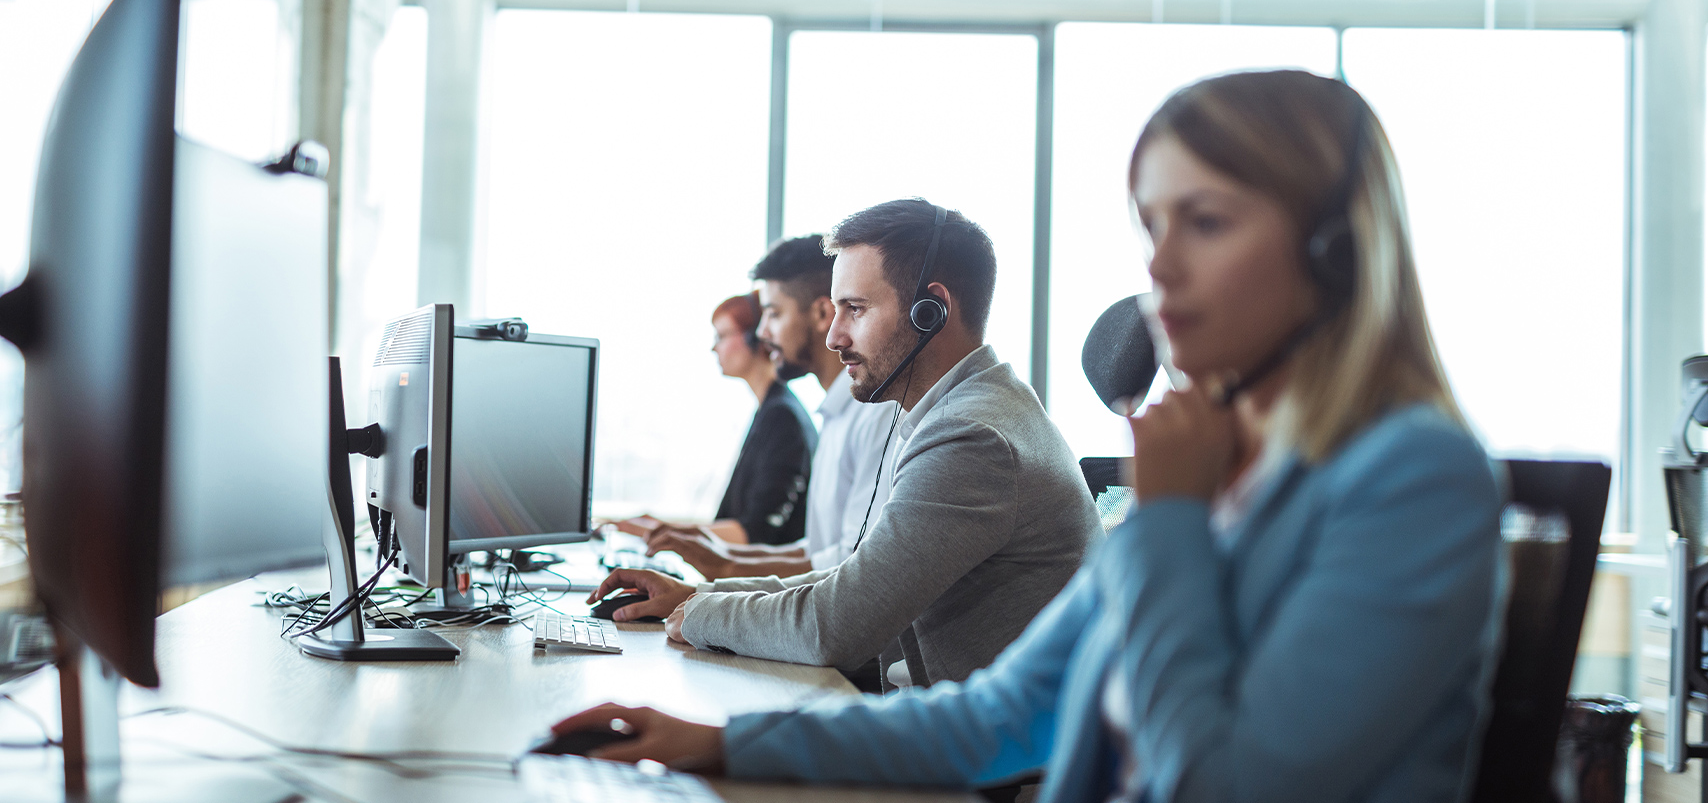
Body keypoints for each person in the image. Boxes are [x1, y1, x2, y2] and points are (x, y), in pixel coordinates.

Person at [552, 70, 1505, 803]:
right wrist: (714, 743)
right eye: (1151, 227)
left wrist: (1169, 523)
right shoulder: (1222, 477)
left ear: (1334, 255)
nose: (1159, 268)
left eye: (1205, 223)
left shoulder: (1412, 478)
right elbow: (1001, 717)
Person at [590, 201, 1101, 690]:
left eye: (854, 309)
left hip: (986, 766)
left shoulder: (971, 438)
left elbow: (835, 626)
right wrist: (699, 593)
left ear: (933, 311)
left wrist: (698, 613)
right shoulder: (975, 409)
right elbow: (853, 582)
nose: (834, 337)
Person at [641, 235, 901, 580]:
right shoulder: (835, 415)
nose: (762, 333)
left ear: (822, 313)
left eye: (774, 314)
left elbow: (849, 566)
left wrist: (719, 576)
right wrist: (715, 554)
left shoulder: (874, 415)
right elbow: (817, 551)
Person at [613, 293, 816, 546]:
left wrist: (660, 531)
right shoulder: (768, 411)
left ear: (756, 338)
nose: (713, 347)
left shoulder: (782, 418)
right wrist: (658, 526)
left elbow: (754, 532)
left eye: (721, 336)